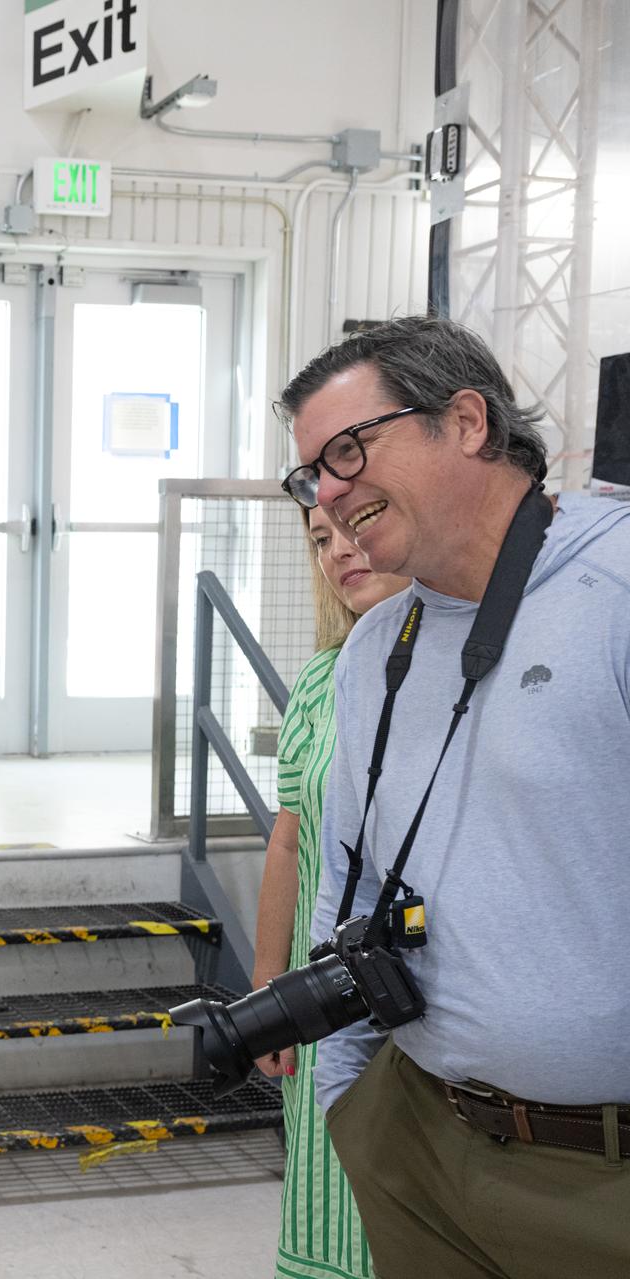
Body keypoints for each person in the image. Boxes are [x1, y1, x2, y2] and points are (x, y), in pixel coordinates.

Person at [281, 314, 630, 1277]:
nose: (331, 490)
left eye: (349, 448)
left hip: (604, 1177)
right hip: (418, 1144)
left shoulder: (613, 592)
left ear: (467, 421)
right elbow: (343, 887)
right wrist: (351, 1109)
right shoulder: (373, 650)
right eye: (311, 471)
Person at [250, 504, 409, 1279]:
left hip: (419, 1011)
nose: (340, 551)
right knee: (325, 1216)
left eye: (357, 525)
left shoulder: (457, 672)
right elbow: (288, 841)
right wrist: (268, 994)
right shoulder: (318, 680)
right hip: (324, 1002)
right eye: (320, 539)